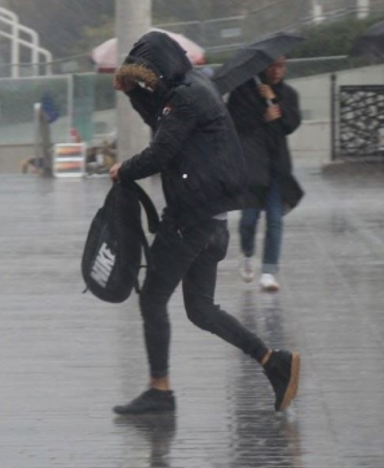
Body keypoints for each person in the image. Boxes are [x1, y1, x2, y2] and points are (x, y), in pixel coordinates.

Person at [108, 32, 301, 415]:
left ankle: (160, 391)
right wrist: (134, 92)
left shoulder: (185, 97)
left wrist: (122, 171)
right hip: (212, 219)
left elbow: (162, 149)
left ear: (161, 65)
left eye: (149, 76)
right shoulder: (194, 87)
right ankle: (273, 362)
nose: (150, 82)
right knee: (200, 309)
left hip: (190, 219)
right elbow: (164, 121)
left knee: (151, 299)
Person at [228, 57, 303, 292]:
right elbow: (234, 123)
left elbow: (291, 124)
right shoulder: (242, 92)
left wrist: (274, 99)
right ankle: (247, 253)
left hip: (277, 167)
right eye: (273, 65)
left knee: (275, 220)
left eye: (282, 66)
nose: (278, 71)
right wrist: (262, 117)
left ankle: (269, 272)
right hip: (251, 167)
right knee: (249, 220)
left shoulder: (287, 93)